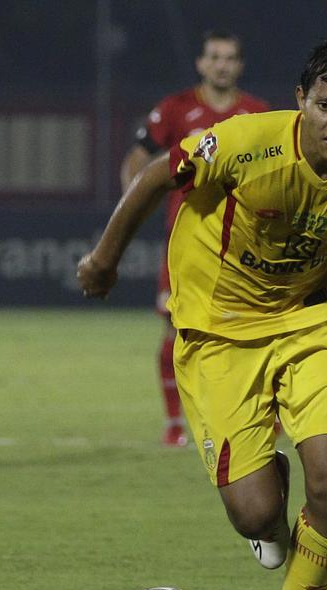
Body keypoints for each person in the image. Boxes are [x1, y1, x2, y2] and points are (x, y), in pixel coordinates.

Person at [79, 37, 327, 590]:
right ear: (301, 100)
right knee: (256, 516)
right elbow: (158, 175)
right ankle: (267, 507)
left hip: (308, 322)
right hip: (215, 332)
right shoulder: (245, 140)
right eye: (326, 105)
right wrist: (105, 259)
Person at [121, 30, 270, 448]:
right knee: (175, 331)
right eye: (214, 57)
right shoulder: (175, 109)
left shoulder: (256, 113)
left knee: (253, 331)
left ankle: (257, 417)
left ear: (239, 66)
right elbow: (137, 159)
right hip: (186, 244)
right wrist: (134, 203)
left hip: (243, 245)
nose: (221, 64)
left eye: (229, 58)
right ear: (201, 64)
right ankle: (175, 424)